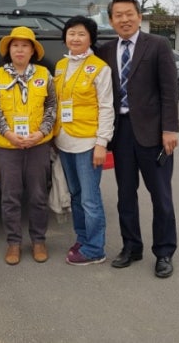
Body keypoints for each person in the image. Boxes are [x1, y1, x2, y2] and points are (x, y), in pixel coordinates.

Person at [97, 0, 179, 278]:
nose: (124, 19)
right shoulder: (105, 50)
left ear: (139, 16)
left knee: (161, 195)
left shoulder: (157, 45)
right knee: (125, 195)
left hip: (154, 133)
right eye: (118, 15)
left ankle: (165, 252)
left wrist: (170, 129)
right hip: (121, 133)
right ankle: (131, 246)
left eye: (129, 14)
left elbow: (170, 91)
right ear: (111, 21)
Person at [0, 26, 56, 265]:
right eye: (15, 45)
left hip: (38, 145)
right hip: (8, 146)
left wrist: (40, 133)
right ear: (9, 49)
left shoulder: (45, 75)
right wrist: (8, 133)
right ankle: (13, 243)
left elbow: (52, 107)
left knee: (37, 195)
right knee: (10, 196)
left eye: (25, 45)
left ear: (33, 50)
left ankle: (38, 241)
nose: (20, 50)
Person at [53, 16, 114, 266]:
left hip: (88, 143)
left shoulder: (100, 68)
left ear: (90, 38)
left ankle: (95, 248)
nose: (75, 38)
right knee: (76, 195)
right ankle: (83, 238)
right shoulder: (60, 65)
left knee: (90, 198)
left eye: (81, 34)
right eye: (71, 33)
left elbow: (106, 107)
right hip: (64, 141)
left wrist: (102, 142)